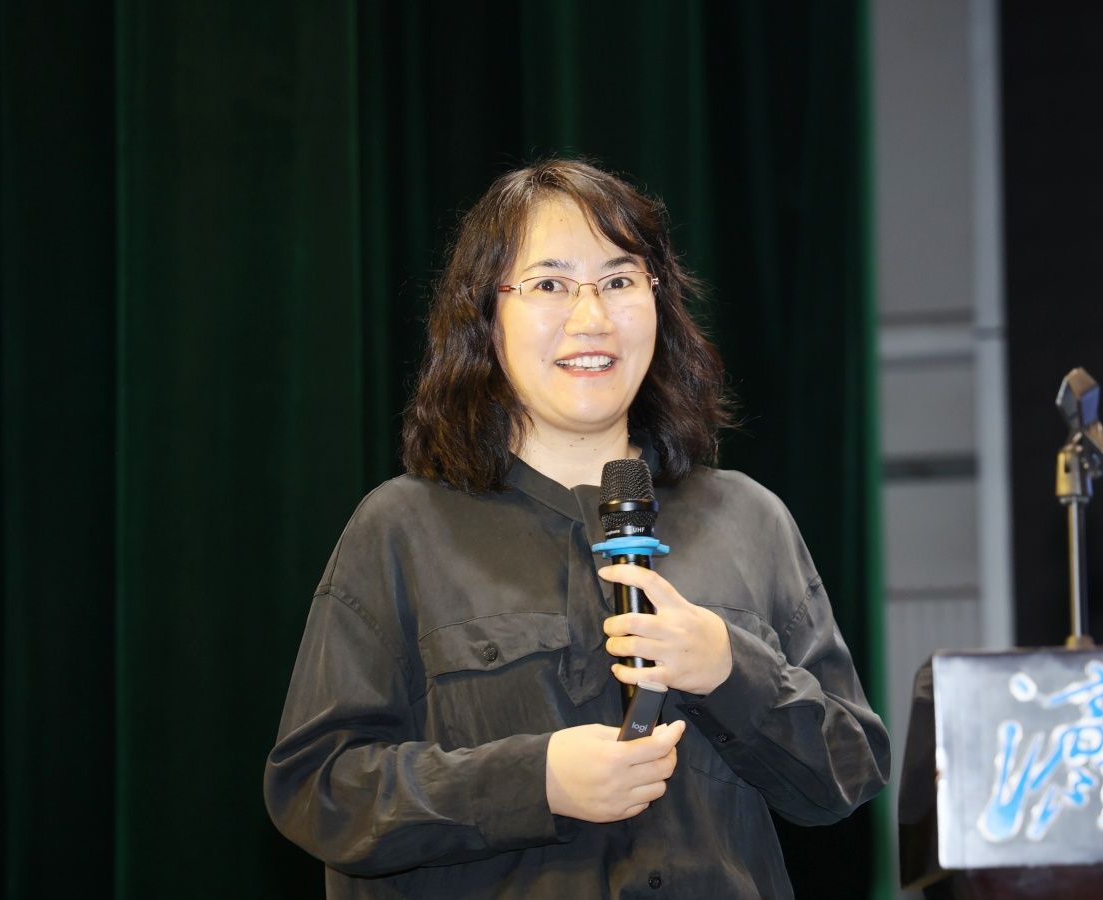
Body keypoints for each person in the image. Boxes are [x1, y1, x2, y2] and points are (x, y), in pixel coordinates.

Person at [264, 159, 889, 898]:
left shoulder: (749, 520)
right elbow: (319, 789)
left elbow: (848, 774)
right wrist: (535, 782)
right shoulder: (401, 529)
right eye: (550, 285)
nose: (591, 318)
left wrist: (730, 669)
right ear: (485, 316)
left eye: (620, 281)